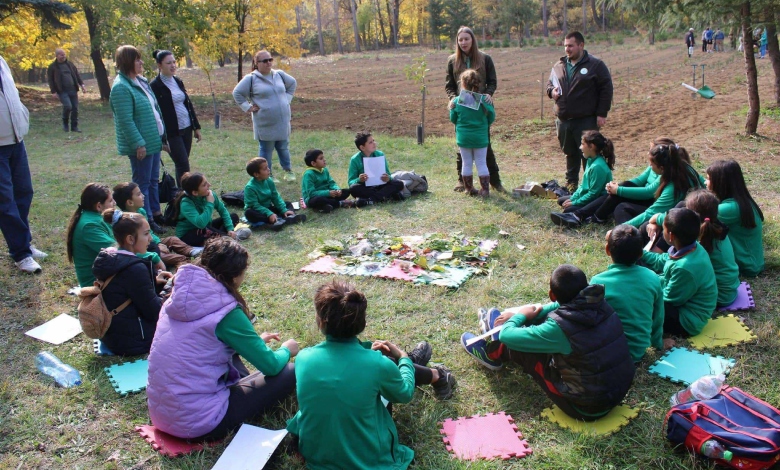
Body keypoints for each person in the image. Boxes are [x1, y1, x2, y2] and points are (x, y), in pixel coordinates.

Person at [286, 281, 456, 469]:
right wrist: (404, 358)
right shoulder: (376, 364)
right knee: (388, 369)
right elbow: (405, 393)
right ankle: (427, 370)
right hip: (369, 461)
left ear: (321, 321)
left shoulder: (303, 358)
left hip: (318, 459)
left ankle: (424, 369)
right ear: (362, 324)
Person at [147, 237, 298, 440]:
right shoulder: (226, 311)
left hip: (162, 415)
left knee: (235, 358)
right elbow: (270, 366)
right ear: (235, 276)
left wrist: (255, 342)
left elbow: (199, 344)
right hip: (200, 423)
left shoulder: (176, 298)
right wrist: (288, 349)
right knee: (290, 370)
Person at [461, 265, 635, 421]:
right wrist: (530, 315)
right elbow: (559, 309)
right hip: (617, 393)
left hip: (584, 407)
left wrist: (521, 316)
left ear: (552, 295)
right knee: (544, 337)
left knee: (524, 349)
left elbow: (508, 335)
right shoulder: (600, 303)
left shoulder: (559, 329)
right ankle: (496, 333)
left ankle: (492, 354)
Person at [92, 209, 171, 356]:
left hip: (112, 336)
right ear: (130, 239)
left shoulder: (112, 258)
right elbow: (154, 312)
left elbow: (125, 292)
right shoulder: (134, 269)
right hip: (134, 343)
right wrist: (169, 287)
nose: (151, 239)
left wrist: (155, 283)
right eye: (146, 234)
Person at [109, 45, 168, 235]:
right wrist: (138, 143)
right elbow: (125, 120)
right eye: (137, 60)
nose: (141, 62)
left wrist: (161, 137)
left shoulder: (139, 81)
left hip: (153, 140)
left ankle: (156, 213)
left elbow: (154, 110)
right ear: (127, 62)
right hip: (142, 144)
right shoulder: (121, 87)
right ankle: (146, 219)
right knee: (141, 184)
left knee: (152, 180)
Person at [547, 32, 613, 191]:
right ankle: (572, 185)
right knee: (570, 153)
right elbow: (550, 85)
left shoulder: (595, 65)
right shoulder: (559, 66)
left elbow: (606, 88)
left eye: (570, 45)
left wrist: (602, 113)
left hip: (586, 119)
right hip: (564, 120)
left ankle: (591, 186)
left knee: (588, 154)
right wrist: (551, 92)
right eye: (565, 46)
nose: (567, 49)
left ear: (581, 45)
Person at [0, 54, 47, 273]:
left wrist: (22, 116)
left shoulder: (2, 60)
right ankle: (20, 254)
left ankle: (24, 242)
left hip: (16, 140)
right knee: (5, 203)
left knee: (24, 193)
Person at [651, 190, 739, 307]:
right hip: (730, 289)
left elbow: (673, 295)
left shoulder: (699, 241)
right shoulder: (717, 228)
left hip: (720, 296)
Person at [641, 208, 717, 342]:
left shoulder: (685, 268)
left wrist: (646, 284)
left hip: (687, 320)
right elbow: (662, 261)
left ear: (671, 236)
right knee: (639, 263)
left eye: (662, 229)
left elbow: (670, 299)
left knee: (642, 302)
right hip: (679, 297)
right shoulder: (692, 247)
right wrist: (639, 252)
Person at [445, 26, 505, 193]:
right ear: (457, 42)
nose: (463, 42)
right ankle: (462, 182)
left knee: (485, 146)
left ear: (473, 40)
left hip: (480, 109)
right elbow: (449, 85)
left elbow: (492, 81)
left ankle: (495, 181)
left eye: (466, 39)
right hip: (462, 109)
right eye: (460, 39)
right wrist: (452, 100)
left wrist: (488, 94)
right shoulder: (452, 61)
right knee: (462, 146)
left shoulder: (485, 59)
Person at [232, 50, 297, 183]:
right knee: (267, 149)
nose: (268, 63)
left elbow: (292, 84)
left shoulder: (279, 74)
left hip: (282, 121)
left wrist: (287, 100)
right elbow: (237, 93)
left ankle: (288, 171)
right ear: (257, 63)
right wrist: (248, 107)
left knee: (283, 147)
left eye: (270, 59)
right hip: (265, 123)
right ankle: (268, 174)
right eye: (265, 61)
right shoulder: (251, 78)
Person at [620, 141, 704, 235]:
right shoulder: (683, 166)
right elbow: (703, 182)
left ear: (662, 168)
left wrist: (620, 229)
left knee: (645, 226)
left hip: (682, 224)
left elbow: (650, 213)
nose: (650, 166)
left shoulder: (672, 188)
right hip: (683, 215)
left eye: (651, 164)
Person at [113, 182, 201, 269]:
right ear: (130, 202)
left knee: (172, 239)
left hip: (151, 242)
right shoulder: (126, 222)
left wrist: (158, 243)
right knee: (165, 256)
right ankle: (188, 261)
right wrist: (157, 247)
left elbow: (149, 232)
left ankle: (192, 251)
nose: (143, 196)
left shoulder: (141, 211)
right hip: (144, 249)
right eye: (139, 194)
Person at [150, 50, 202, 186]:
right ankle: (185, 195)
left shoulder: (177, 81)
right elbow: (155, 113)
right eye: (168, 63)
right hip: (171, 132)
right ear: (159, 65)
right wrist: (161, 138)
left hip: (186, 127)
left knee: (182, 164)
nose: (173, 65)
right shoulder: (155, 86)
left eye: (174, 62)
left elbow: (187, 103)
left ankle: (181, 194)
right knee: (183, 163)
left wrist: (196, 127)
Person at [705, 159, 764, 277]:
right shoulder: (742, 201)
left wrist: (659, 218)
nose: (706, 182)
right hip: (752, 262)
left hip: (746, 266)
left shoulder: (729, 209)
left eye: (708, 179)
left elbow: (690, 218)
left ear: (720, 182)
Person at [550, 130, 615, 226]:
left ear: (592, 146)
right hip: (588, 196)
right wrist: (574, 198)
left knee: (569, 209)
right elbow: (583, 185)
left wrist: (575, 202)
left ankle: (590, 215)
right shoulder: (590, 160)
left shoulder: (598, 167)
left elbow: (593, 194)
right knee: (561, 201)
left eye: (582, 144)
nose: (580, 147)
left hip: (598, 201)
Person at [449, 69, 496, 197]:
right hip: (480, 137)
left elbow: (453, 118)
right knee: (481, 162)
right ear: (479, 83)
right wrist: (483, 124)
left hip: (463, 138)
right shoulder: (485, 100)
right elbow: (491, 116)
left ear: (462, 84)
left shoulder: (457, 101)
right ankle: (485, 190)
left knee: (466, 162)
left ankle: (468, 189)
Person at [67, 183, 117, 287]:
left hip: (109, 272)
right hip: (96, 283)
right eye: (111, 201)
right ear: (99, 206)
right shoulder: (90, 226)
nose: (115, 203)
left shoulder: (96, 218)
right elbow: (117, 252)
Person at [172, 172, 239, 246]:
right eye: (204, 185)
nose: (209, 185)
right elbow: (201, 224)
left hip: (207, 227)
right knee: (206, 230)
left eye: (207, 182)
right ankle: (223, 238)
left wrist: (230, 228)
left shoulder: (209, 194)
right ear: (195, 192)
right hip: (189, 234)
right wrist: (210, 203)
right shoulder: (186, 203)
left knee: (233, 216)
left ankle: (223, 235)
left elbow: (222, 210)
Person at [244, 157, 306, 230]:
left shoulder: (269, 180)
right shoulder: (250, 187)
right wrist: (269, 214)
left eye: (268, 167)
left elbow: (275, 196)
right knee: (249, 213)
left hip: (269, 208)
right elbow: (255, 205)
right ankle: (273, 222)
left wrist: (283, 209)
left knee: (287, 204)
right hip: (259, 211)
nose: (268, 169)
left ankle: (288, 216)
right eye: (265, 169)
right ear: (256, 174)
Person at [347, 131, 404, 204]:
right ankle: (386, 196)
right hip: (366, 187)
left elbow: (389, 175)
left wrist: (387, 178)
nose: (374, 143)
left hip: (381, 185)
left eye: (373, 141)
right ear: (362, 147)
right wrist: (359, 179)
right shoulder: (355, 159)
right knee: (353, 189)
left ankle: (370, 200)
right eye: (370, 142)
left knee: (398, 183)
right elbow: (350, 182)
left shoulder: (380, 154)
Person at [46, 48, 86, 133]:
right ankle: (65, 124)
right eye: (61, 54)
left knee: (75, 108)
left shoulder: (70, 64)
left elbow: (77, 75)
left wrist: (82, 85)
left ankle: (74, 127)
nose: (63, 56)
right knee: (68, 106)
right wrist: (53, 91)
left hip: (73, 89)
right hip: (62, 91)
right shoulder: (53, 67)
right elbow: (50, 80)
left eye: (64, 54)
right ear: (56, 56)